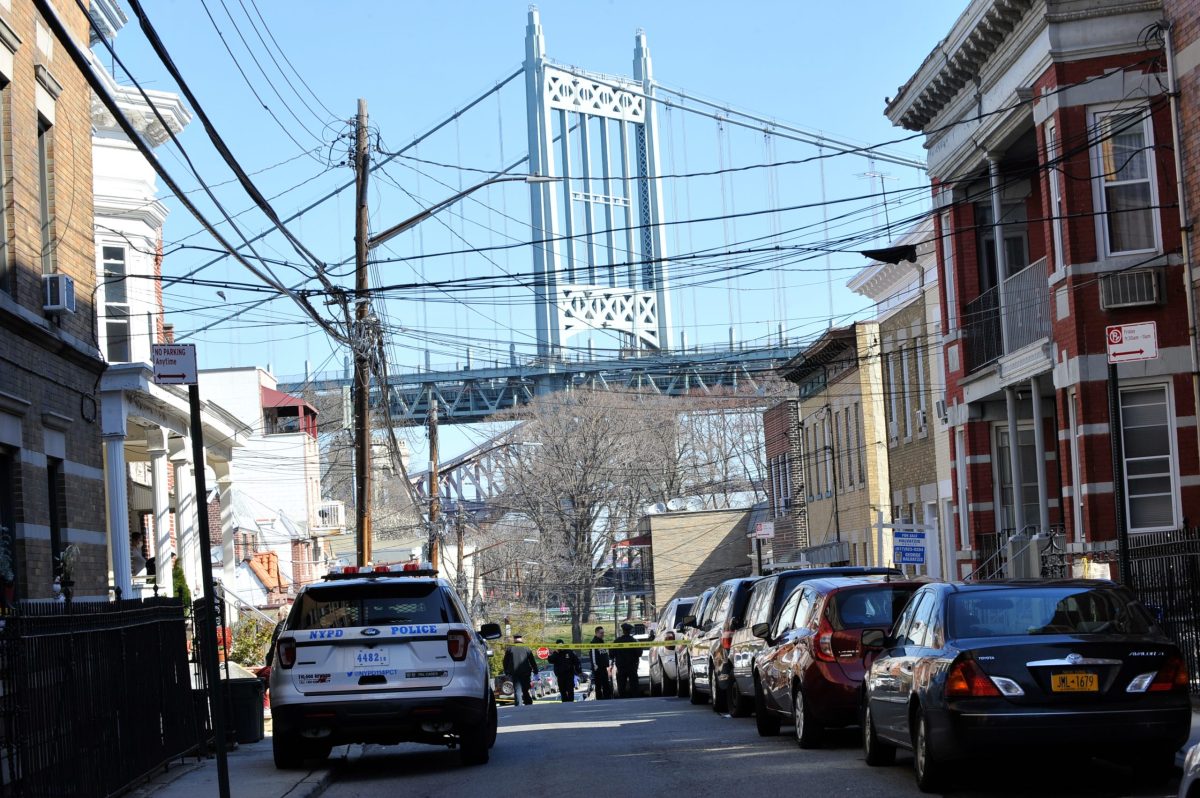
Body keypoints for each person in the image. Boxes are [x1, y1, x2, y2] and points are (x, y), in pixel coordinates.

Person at [502, 634, 538, 706]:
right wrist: (535, 670)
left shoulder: (510, 649)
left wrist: (506, 671)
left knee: (517, 690)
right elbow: (532, 661)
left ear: (514, 639)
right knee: (525, 689)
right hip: (526, 673)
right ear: (521, 639)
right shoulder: (526, 648)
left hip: (515, 673)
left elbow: (505, 661)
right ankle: (528, 703)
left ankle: (519, 705)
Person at [613, 622, 644, 698]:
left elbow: (611, 654)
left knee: (621, 684)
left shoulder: (616, 641)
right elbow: (639, 653)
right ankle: (635, 697)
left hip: (621, 666)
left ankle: (622, 697)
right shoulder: (634, 641)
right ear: (630, 631)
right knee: (634, 684)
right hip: (632, 666)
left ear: (623, 631)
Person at [589, 625, 613, 700]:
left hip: (604, 667)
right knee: (598, 685)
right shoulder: (594, 643)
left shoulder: (602, 642)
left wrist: (608, 663)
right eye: (601, 633)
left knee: (606, 684)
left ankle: (607, 698)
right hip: (598, 668)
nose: (603, 634)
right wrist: (595, 665)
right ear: (596, 633)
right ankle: (599, 699)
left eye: (603, 633)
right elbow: (593, 655)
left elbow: (604, 654)